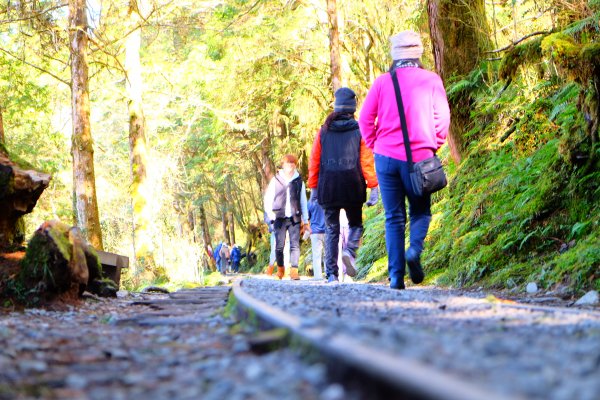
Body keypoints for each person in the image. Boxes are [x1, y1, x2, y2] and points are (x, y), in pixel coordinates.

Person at [358, 30, 450, 290]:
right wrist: (433, 145)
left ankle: (396, 277)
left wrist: (378, 146)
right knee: (420, 211)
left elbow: (365, 120)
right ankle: (414, 251)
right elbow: (442, 120)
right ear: (418, 53)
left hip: (386, 159)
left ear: (394, 55)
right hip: (420, 158)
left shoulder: (382, 82)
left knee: (394, 217)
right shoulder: (431, 79)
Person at [308, 87, 379, 283]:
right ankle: (349, 250)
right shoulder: (359, 130)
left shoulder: (323, 131)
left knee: (332, 230)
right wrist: (373, 186)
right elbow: (366, 161)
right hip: (352, 185)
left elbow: (314, 161)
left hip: (328, 186)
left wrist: (313, 188)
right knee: (356, 224)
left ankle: (331, 275)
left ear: (336, 106)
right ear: (353, 108)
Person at [264, 154, 310, 280]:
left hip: (294, 217)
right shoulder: (276, 180)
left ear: (295, 165)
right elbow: (268, 199)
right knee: (279, 246)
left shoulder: (299, 181)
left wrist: (305, 221)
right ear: (283, 165)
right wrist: (271, 214)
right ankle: (280, 270)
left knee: (295, 245)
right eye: (288, 164)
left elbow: (303, 202)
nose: (290, 166)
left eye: (293, 164)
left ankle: (294, 271)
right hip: (279, 218)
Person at [307, 189, 326, 280]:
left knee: (317, 254)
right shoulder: (325, 201)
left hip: (314, 232)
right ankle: (329, 273)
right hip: (327, 231)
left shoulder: (310, 203)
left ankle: (318, 276)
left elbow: (307, 217)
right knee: (328, 254)